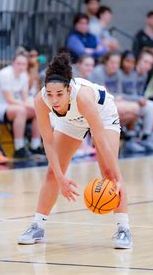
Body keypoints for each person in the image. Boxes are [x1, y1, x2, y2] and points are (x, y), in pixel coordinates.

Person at [17, 52, 133, 249]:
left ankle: (124, 228)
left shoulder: (83, 97)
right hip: (72, 121)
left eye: (59, 94)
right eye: (50, 94)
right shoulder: (40, 100)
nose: (54, 100)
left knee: (109, 173)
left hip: (103, 114)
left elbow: (101, 142)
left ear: (69, 90)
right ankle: (38, 225)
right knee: (53, 173)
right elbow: (48, 142)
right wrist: (62, 178)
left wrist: (118, 178)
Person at [0, 52, 43, 158]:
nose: (21, 66)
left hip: (10, 106)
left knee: (36, 111)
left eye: (24, 64)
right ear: (13, 63)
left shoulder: (24, 76)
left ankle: (35, 145)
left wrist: (35, 106)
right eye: (19, 63)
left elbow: (24, 98)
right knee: (21, 111)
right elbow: (10, 99)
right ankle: (19, 148)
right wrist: (29, 105)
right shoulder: (5, 74)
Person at [90, 52, 144, 153]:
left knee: (133, 112)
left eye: (117, 63)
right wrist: (115, 97)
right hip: (97, 104)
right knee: (133, 109)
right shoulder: (99, 72)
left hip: (112, 100)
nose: (115, 65)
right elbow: (102, 96)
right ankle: (102, 139)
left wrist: (116, 97)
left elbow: (119, 94)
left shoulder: (118, 73)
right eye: (112, 62)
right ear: (105, 62)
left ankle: (128, 140)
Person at [120, 50, 153, 151]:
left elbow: (139, 93)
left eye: (151, 63)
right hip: (126, 101)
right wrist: (139, 99)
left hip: (136, 100)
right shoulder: (129, 72)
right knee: (149, 107)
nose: (148, 66)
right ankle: (142, 138)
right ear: (138, 61)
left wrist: (140, 98)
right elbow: (124, 94)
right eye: (146, 62)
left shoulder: (144, 74)